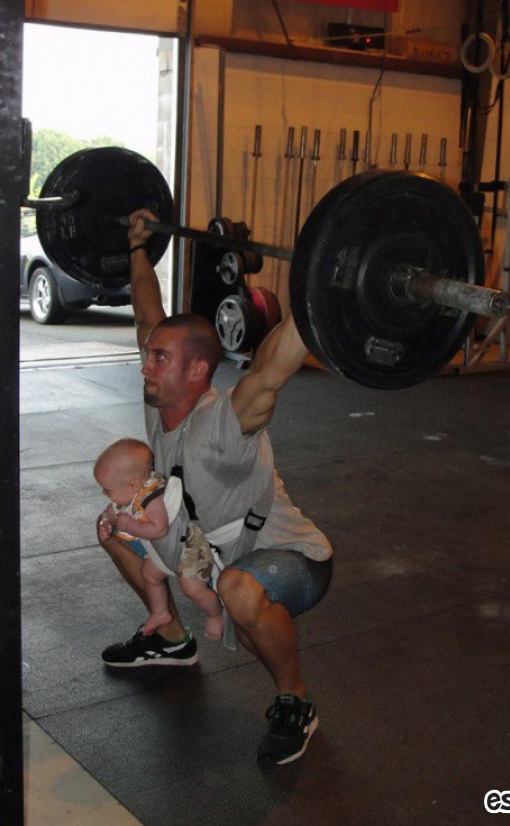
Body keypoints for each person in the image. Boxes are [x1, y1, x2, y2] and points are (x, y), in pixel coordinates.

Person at [97, 209, 333, 766]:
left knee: (239, 592)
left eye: (159, 359)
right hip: (212, 548)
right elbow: (147, 314)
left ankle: (294, 703)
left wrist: (322, 288)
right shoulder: (162, 402)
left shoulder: (225, 419)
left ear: (199, 371)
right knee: (113, 530)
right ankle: (172, 638)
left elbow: (272, 369)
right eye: (149, 355)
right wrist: (138, 247)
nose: (144, 366)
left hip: (291, 556)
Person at [94, 437, 224, 641]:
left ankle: (215, 614)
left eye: (107, 489)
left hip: (187, 549)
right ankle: (161, 612)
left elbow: (159, 529)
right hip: (162, 552)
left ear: (133, 485)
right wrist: (106, 523)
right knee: (149, 576)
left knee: (193, 589)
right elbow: (110, 512)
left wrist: (130, 525)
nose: (104, 493)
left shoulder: (153, 498)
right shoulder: (128, 495)